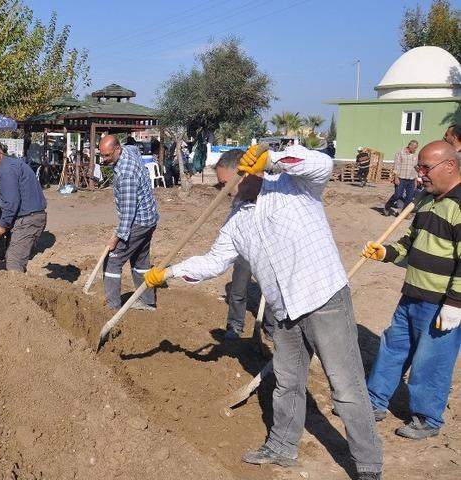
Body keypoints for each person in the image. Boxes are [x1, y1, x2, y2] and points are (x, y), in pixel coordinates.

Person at [144, 145, 383, 479]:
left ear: (249, 173)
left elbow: (323, 164)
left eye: (229, 184)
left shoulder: (293, 186)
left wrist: (272, 158)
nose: (226, 192)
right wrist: (167, 273)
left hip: (323, 298)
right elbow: (214, 261)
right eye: (222, 186)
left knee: (346, 389)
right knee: (286, 384)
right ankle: (283, 447)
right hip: (284, 310)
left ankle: (368, 465)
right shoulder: (236, 221)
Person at [361, 140, 461, 441]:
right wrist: (386, 253)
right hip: (412, 294)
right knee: (392, 348)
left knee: (431, 360)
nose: (420, 176)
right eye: (418, 168)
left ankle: (427, 418)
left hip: (441, 303)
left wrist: (455, 303)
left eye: (425, 168)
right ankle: (374, 401)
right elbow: (409, 243)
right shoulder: (426, 200)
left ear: (450, 165)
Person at [212, 149, 273, 340]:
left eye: (224, 184)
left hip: (271, 252)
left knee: (271, 293)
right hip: (245, 249)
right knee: (238, 288)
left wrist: (272, 159)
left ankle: (271, 329)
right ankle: (235, 326)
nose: (225, 191)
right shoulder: (239, 202)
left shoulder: (275, 193)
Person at [98, 135, 159, 311]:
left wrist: (116, 237)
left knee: (112, 260)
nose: (105, 159)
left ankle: (113, 307)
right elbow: (131, 146)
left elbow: (128, 213)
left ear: (117, 150)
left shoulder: (126, 174)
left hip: (139, 222)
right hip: (149, 218)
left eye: (108, 155)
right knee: (140, 262)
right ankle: (147, 302)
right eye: (102, 155)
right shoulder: (130, 150)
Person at [0, 141, 47, 273]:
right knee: (14, 256)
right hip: (32, 216)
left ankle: (17, 291)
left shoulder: (5, 169)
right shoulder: (12, 164)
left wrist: (3, 224)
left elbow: (11, 202)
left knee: (14, 261)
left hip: (29, 219)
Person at [383, 140, 418, 216]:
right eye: (414, 148)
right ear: (410, 146)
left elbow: (415, 169)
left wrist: (415, 180)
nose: (415, 150)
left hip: (411, 180)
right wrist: (396, 177)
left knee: (410, 198)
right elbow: (396, 166)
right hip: (401, 179)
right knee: (397, 195)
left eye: (416, 148)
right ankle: (387, 207)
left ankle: (403, 213)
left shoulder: (415, 156)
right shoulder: (400, 153)